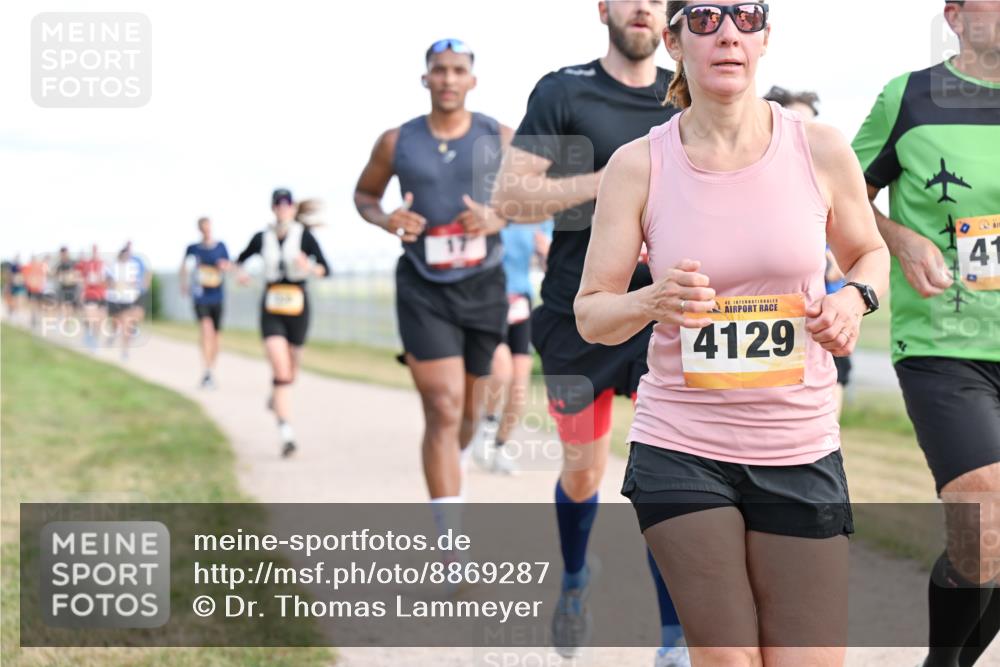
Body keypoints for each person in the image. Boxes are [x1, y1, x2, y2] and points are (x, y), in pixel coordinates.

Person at [575, 1, 890, 664]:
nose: (727, 34)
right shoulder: (639, 166)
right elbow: (592, 312)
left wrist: (853, 299)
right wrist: (652, 299)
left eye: (746, 16)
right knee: (728, 657)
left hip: (797, 442)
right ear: (673, 39)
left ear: (766, 38)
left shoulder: (820, 147)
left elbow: (870, 253)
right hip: (682, 445)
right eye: (706, 17)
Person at [492, 1, 688, 662]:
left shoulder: (684, 92)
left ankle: (673, 638)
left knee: (667, 472)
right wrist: (609, 184)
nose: (643, 8)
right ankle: (575, 577)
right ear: (603, 8)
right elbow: (512, 197)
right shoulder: (564, 90)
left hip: (665, 311)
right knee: (584, 471)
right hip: (583, 314)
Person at [852, 2, 1000, 664]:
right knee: (984, 516)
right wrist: (897, 235)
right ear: (957, 14)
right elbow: (838, 195)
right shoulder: (907, 96)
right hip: (946, 343)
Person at [353, 39, 511, 543]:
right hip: (423, 286)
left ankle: (458, 455)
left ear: (472, 80)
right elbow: (365, 195)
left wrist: (498, 215)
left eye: (457, 70)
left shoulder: (500, 137)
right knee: (441, 406)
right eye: (438, 70)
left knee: (468, 411)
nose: (447, 78)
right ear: (425, 79)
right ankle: (449, 540)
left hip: (484, 285)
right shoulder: (396, 142)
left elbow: (543, 194)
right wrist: (386, 219)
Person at [765, 87, 853, 417]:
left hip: (827, 325)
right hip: (775, 328)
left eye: (812, 123)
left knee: (827, 429)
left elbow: (862, 254)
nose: (806, 132)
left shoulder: (832, 179)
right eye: (797, 122)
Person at [235, 189, 329, 458]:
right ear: (273, 208)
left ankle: (276, 396)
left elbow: (325, 268)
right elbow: (238, 262)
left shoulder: (304, 236)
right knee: (280, 367)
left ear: (292, 207)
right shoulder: (261, 237)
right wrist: (240, 275)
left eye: (287, 204)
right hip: (272, 306)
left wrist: (309, 267)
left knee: (292, 368)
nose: (282, 208)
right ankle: (286, 432)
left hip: (298, 305)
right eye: (278, 204)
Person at [471, 220, 553, 475]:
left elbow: (550, 268)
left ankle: (500, 446)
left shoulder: (543, 221)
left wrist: (547, 252)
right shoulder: (490, 214)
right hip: (488, 301)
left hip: (521, 301)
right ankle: (485, 424)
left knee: (519, 386)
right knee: (501, 370)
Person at [180, 217, 231, 388]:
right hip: (200, 295)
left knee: (216, 336)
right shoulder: (193, 249)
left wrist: (224, 266)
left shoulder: (221, 246)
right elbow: (184, 267)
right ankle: (206, 370)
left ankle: (211, 370)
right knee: (206, 330)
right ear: (199, 230)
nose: (206, 231)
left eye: (208, 227)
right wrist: (184, 284)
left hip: (217, 296)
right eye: (203, 228)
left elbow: (229, 265)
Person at [105, 242, 149, 359]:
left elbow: (139, 280)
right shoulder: (113, 266)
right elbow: (108, 280)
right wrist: (113, 284)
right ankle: (113, 334)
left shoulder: (134, 266)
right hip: (114, 298)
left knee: (126, 323)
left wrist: (137, 287)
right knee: (115, 322)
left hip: (128, 299)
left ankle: (125, 350)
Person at [76, 245, 107, 351]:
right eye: (93, 252)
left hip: (102, 295)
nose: (95, 254)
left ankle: (95, 340)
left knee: (99, 320)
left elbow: (108, 281)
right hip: (90, 294)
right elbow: (81, 279)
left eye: (96, 252)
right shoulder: (86, 265)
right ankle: (89, 335)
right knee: (90, 317)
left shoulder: (104, 265)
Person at [55, 246, 80, 321]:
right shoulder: (59, 264)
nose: (63, 255)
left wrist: (71, 277)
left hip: (72, 287)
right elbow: (57, 275)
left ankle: (68, 320)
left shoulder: (73, 262)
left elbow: (77, 274)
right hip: (63, 287)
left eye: (64, 253)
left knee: (70, 306)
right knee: (63, 305)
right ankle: (65, 320)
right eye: (62, 254)